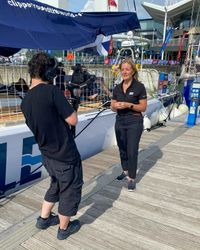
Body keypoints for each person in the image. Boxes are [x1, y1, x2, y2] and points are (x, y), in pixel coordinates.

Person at [21, 52, 83, 240]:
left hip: (47, 155)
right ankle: (64, 228)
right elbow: (73, 120)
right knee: (70, 188)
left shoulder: (25, 101)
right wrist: (69, 104)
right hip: (65, 154)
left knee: (56, 183)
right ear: (48, 73)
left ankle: (44, 218)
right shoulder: (52, 92)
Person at [111, 58, 147, 191]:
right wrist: (116, 106)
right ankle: (125, 170)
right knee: (122, 149)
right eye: (123, 69)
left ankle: (132, 177)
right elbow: (112, 107)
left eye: (127, 69)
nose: (125, 72)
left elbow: (143, 108)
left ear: (133, 71)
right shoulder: (117, 88)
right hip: (120, 120)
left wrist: (128, 105)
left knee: (132, 150)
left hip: (134, 121)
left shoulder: (139, 87)